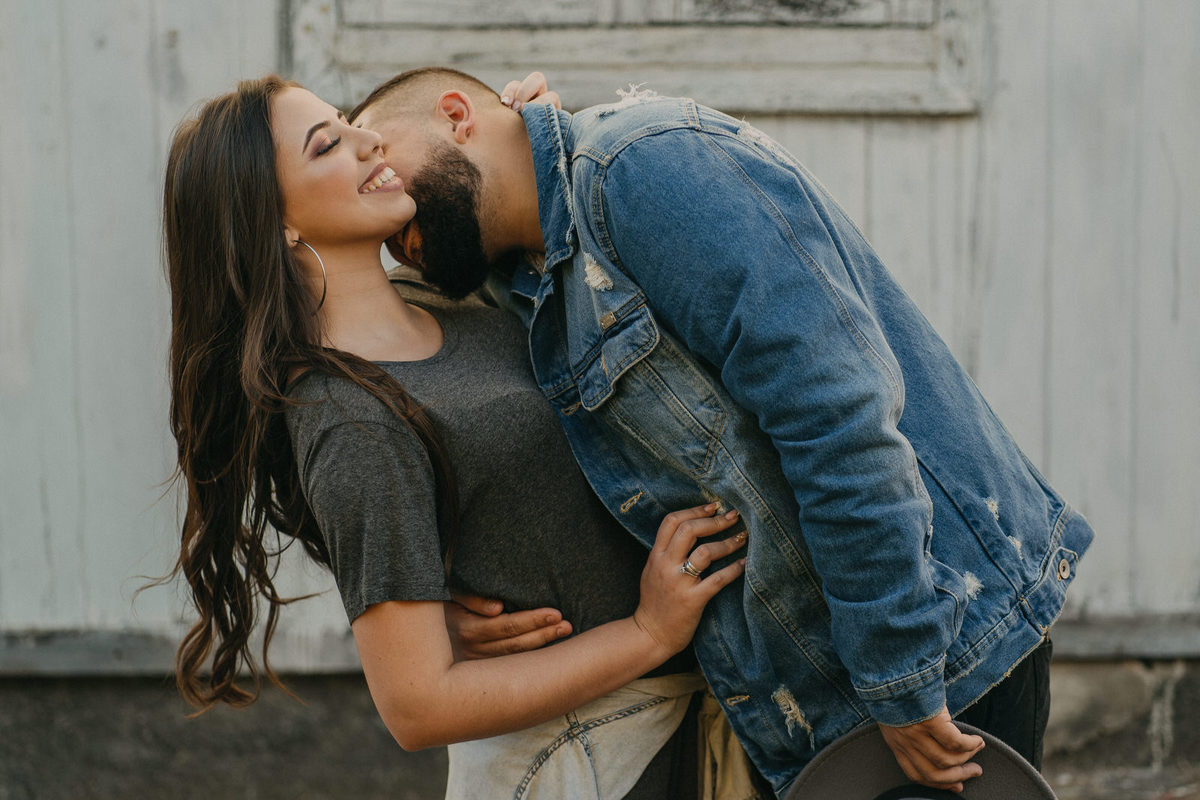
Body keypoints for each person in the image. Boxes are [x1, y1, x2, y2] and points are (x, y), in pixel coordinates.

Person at [348, 67, 1095, 796]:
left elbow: (837, 418)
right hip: (805, 700)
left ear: (457, 115)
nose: (379, 200)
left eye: (377, 155)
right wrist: (444, 613)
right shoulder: (523, 280)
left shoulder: (639, 169)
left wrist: (901, 675)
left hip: (938, 649)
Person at [160, 74, 750, 799]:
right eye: (326, 145)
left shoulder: (443, 299)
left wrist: (517, 140)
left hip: (694, 724)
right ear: (274, 221)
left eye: (346, 121)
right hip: (587, 763)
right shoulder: (351, 416)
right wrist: (648, 632)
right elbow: (417, 706)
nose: (368, 140)